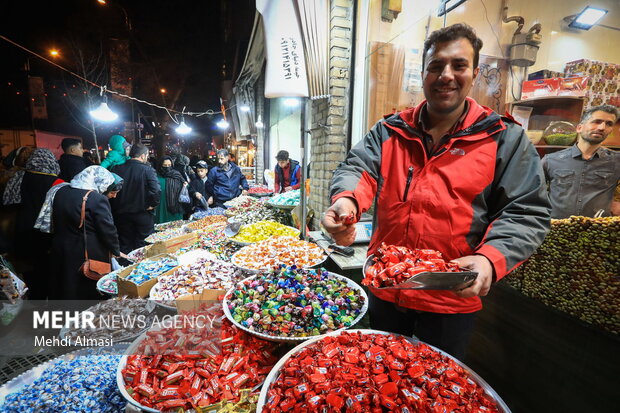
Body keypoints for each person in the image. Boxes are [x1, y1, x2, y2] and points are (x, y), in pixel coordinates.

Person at [321, 23, 551, 359]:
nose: (446, 75)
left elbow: (525, 211)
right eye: (436, 66)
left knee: (436, 387)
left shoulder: (504, 138)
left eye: (458, 65)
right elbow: (358, 168)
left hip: (450, 300)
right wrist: (346, 201)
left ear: (473, 73)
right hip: (387, 287)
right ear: (423, 73)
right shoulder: (390, 130)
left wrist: (489, 260)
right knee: (375, 375)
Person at [47, 166, 122, 300]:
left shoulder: (61, 191)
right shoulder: (96, 199)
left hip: (61, 248)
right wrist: (115, 250)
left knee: (65, 285)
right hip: (85, 252)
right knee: (84, 289)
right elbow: (107, 230)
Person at [542, 105, 620, 218]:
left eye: (609, 124)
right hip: (556, 230)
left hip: (599, 231)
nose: (602, 127)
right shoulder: (551, 160)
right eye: (596, 121)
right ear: (579, 128)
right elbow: (531, 194)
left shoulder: (616, 160)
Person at [4, 148, 60, 299]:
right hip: (48, 232)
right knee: (49, 270)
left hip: (23, 229)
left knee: (31, 272)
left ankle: (36, 302)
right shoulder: (56, 181)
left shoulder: (18, 177)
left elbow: (8, 202)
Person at [110, 144, 161, 253]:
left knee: (124, 243)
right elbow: (156, 190)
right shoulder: (147, 170)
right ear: (143, 156)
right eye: (147, 155)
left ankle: (126, 267)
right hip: (142, 213)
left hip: (121, 214)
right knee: (144, 243)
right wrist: (152, 204)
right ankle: (142, 267)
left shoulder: (116, 168)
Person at [154, 156, 185, 224]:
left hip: (175, 207)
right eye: (165, 165)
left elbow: (185, 186)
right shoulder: (155, 176)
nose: (167, 167)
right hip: (161, 207)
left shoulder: (177, 175)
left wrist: (185, 185)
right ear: (160, 165)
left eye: (169, 165)